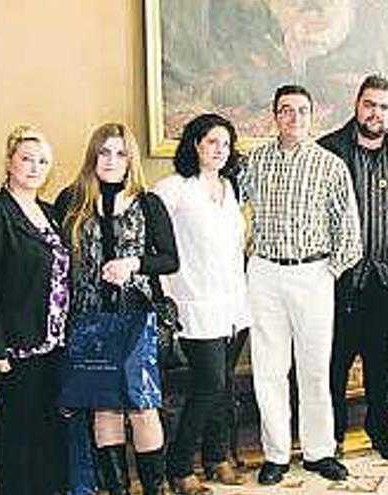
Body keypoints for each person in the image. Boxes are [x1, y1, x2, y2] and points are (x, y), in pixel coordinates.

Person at [241, 84, 361, 485]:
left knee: (314, 369)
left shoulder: (330, 165)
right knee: (269, 369)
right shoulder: (253, 163)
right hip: (264, 273)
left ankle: (319, 451)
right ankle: (275, 454)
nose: (294, 118)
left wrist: (327, 271)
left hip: (313, 273)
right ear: (275, 116)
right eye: (286, 111)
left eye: (302, 111)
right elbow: (229, 210)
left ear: (313, 117)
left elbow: (349, 229)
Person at [56, 123, 179, 495]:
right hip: (89, 322)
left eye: (120, 153)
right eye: (104, 152)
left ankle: (155, 488)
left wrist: (134, 263)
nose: (111, 160)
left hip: (136, 321)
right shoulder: (71, 200)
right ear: (93, 155)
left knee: (143, 407)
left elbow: (170, 259)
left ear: (131, 160)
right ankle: (116, 489)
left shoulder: (148, 202)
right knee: (103, 407)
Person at [319, 74, 388, 462]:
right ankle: (328, 439)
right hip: (342, 280)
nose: (375, 112)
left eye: (383, 106)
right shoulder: (328, 149)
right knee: (334, 365)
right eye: (369, 104)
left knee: (385, 367)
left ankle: (384, 434)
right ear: (356, 105)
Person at [153, 113, 250, 495]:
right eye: (212, 142)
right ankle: (178, 466)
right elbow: (154, 243)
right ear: (195, 144)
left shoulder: (231, 188)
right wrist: (163, 290)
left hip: (234, 303)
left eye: (225, 144)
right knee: (208, 384)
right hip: (193, 301)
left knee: (223, 385)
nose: (219, 150)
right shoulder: (173, 189)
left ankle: (216, 457)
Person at [0, 126, 68, 495]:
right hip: (13, 348)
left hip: (52, 343)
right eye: (26, 158)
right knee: (16, 434)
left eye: (42, 161)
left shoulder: (49, 213)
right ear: (9, 162)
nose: (34, 167)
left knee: (48, 429)